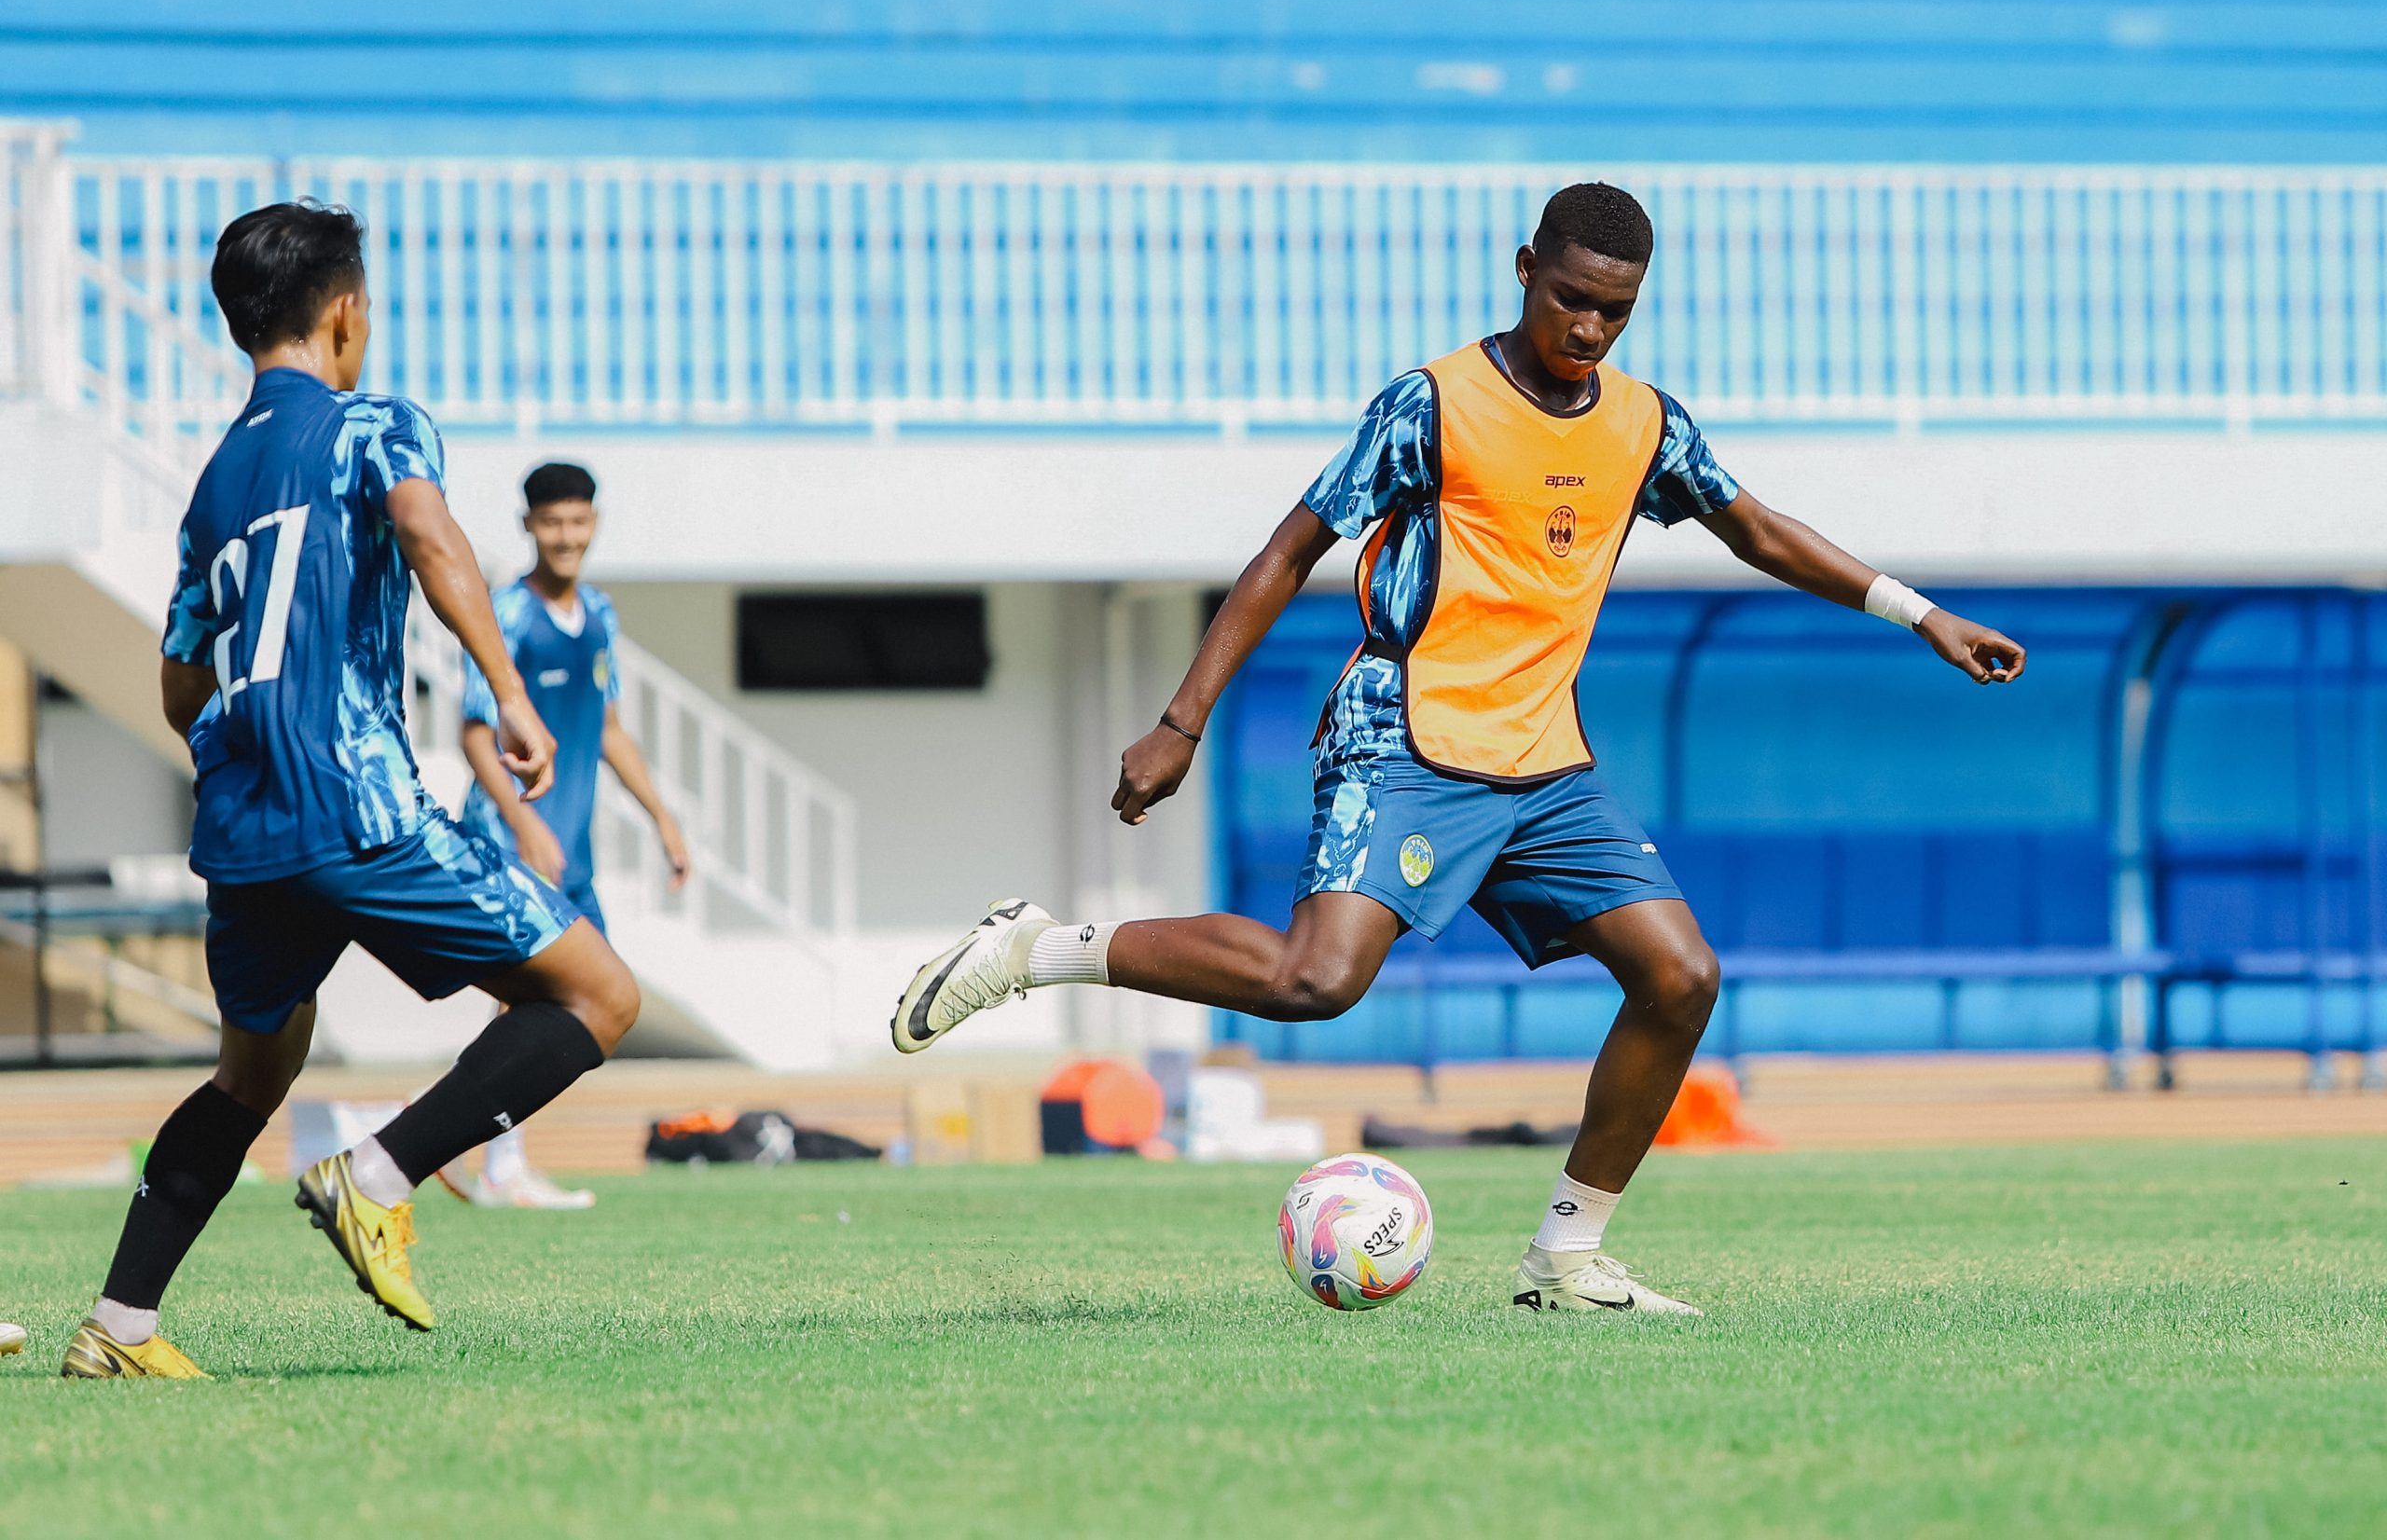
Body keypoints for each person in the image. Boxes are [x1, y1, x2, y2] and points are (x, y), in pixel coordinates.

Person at [894, 182, 2027, 1315]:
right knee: (1315, 980)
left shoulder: (1643, 422)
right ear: (1525, 264)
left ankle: (1566, 1259)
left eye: (1615, 314)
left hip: (1543, 759)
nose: (1588, 331)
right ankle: (1037, 949)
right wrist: (1183, 720)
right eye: (1572, 300)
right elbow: (1288, 554)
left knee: (1679, 976)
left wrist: (1918, 613)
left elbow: (1758, 529)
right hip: (1408, 731)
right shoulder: (1431, 403)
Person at [62, 201, 641, 1380]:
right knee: (597, 993)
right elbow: (429, 537)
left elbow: (180, 684)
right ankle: (374, 1175)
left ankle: (118, 1326)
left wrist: (250, 745)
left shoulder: (216, 480)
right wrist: (508, 691)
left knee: (252, 1072)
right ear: (346, 312)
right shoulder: (373, 423)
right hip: (352, 800)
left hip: (243, 817)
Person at [440, 461, 689, 1209]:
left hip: (569, 849)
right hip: (514, 841)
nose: (565, 536)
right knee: (547, 999)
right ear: (528, 527)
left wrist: (663, 817)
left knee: (582, 1005)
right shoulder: (507, 616)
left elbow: (608, 728)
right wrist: (524, 825)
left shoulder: (601, 616)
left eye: (577, 521)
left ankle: (454, 1135)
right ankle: (496, 1161)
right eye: (551, 522)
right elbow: (477, 735)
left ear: (595, 523)